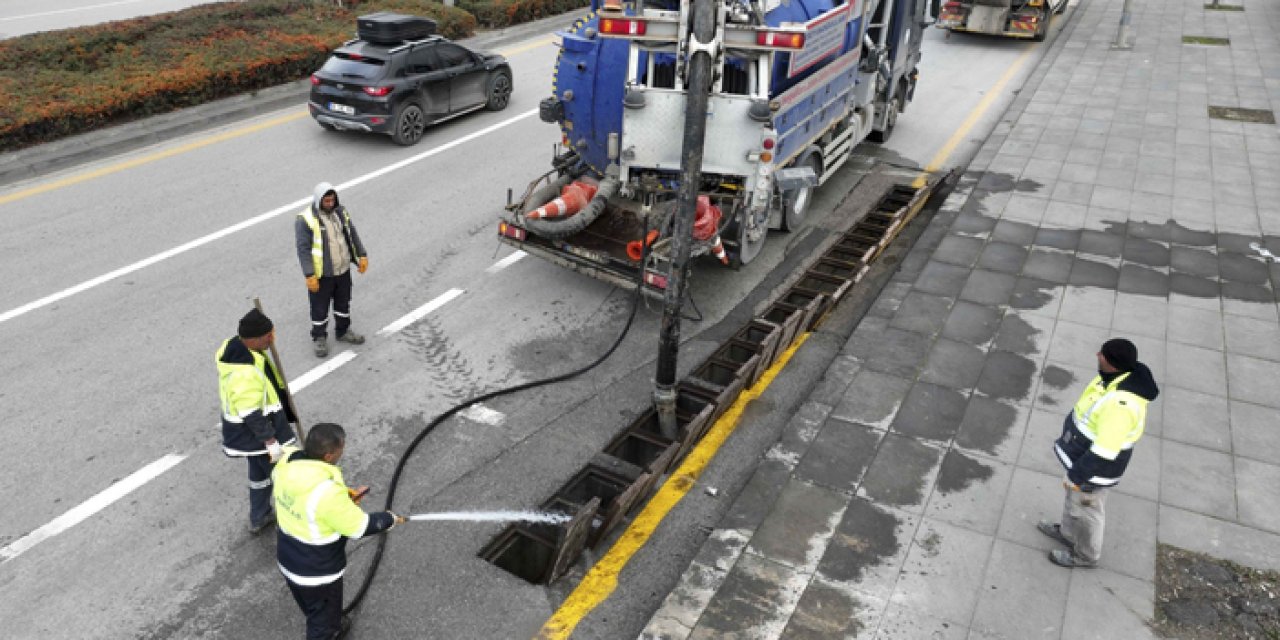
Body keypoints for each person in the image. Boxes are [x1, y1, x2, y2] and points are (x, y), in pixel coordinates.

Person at [274, 423, 406, 639]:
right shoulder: (326, 493)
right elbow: (360, 527)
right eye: (340, 449)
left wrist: (342, 499)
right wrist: (388, 519)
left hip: (287, 558)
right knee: (321, 625)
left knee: (312, 607)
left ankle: (329, 622)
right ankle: (329, 630)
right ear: (328, 456)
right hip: (316, 572)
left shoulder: (287, 462)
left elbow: (305, 498)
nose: (342, 452)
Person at [1039, 338, 1159, 568]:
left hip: (1093, 470)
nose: (1097, 355)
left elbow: (1105, 450)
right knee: (1074, 501)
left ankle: (1085, 555)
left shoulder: (1120, 406)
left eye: (1102, 354)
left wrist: (1077, 475)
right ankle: (1068, 534)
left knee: (1087, 510)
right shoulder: (1116, 377)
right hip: (1082, 460)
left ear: (1113, 363)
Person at [216, 308, 298, 534]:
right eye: (267, 336)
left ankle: (259, 516)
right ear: (252, 339)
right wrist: (270, 441)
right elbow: (251, 412)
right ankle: (296, 519)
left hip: (251, 439)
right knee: (286, 476)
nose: (271, 340)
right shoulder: (245, 374)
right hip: (258, 437)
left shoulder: (239, 347)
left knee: (259, 478)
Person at [296, 182, 369, 358]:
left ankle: (343, 331)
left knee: (343, 303)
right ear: (318, 200)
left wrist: (362, 254)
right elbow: (303, 249)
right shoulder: (305, 220)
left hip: (342, 270)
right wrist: (309, 274)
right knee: (319, 308)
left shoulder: (340, 212)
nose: (330, 203)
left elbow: (352, 233)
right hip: (322, 275)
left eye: (332, 200)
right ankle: (319, 337)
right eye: (326, 201)